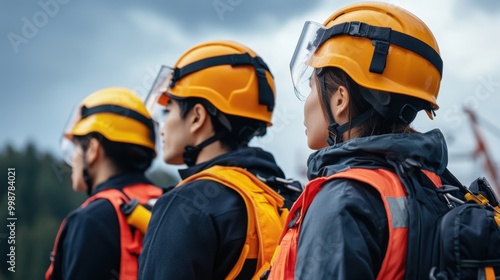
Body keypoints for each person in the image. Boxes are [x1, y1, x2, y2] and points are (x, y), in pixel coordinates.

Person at [266, 2, 448, 279]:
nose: (307, 103)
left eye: (313, 87)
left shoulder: (342, 200)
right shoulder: (440, 188)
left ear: (340, 99)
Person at [139, 40, 299, 279]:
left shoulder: (186, 202)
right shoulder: (289, 197)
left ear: (197, 117)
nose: (162, 127)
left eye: (168, 109)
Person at [46, 87, 162, 280]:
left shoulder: (90, 220)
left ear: (92, 149)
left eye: (75, 146)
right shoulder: (169, 202)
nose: (73, 158)